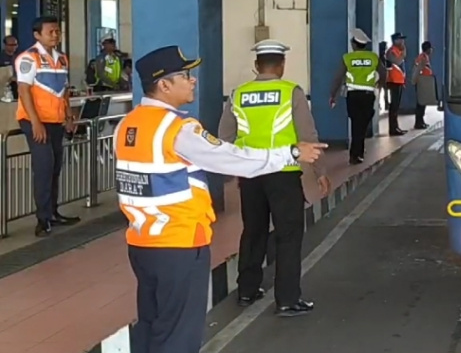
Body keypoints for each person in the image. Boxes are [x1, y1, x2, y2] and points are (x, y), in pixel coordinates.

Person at [114, 45, 325, 353]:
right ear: (164, 85)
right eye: (186, 75)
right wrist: (291, 153)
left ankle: (248, 288)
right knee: (179, 336)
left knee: (152, 325)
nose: (194, 80)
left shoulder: (127, 125)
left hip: (142, 243)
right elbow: (228, 156)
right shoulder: (178, 129)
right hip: (180, 244)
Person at [219, 39, 330, 317]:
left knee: (253, 231)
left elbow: (225, 138)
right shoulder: (291, 92)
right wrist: (321, 172)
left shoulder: (238, 94)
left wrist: (233, 171)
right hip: (283, 174)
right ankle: (288, 299)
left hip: (251, 176)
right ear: (281, 66)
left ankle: (246, 289)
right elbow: (308, 136)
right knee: (289, 235)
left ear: (257, 66)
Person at [15, 16, 79, 237]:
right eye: (51, 32)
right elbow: (24, 91)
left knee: (55, 166)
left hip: (56, 121)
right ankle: (42, 220)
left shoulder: (61, 59)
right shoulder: (28, 58)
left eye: (57, 31)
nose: (55, 35)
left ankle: (53, 212)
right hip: (35, 121)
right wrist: (35, 122)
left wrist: (69, 116)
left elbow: (64, 91)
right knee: (44, 166)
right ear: (37, 35)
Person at [330, 28, 387, 164]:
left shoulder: (347, 58)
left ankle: (356, 153)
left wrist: (333, 95)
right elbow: (384, 73)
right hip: (368, 95)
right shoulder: (373, 57)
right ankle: (357, 152)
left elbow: (338, 78)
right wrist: (380, 84)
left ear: (354, 44)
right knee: (362, 123)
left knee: (357, 123)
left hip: (353, 95)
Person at [384, 32, 408, 136]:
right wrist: (403, 53)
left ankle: (396, 127)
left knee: (396, 106)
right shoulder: (391, 51)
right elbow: (397, 62)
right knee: (393, 106)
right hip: (393, 81)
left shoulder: (398, 50)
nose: (403, 41)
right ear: (395, 40)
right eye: (400, 39)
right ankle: (393, 129)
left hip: (399, 81)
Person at [411, 41, 435, 129]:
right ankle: (418, 122)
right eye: (431, 48)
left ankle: (421, 121)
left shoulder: (425, 57)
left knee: (423, 102)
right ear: (428, 49)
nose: (432, 50)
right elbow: (418, 69)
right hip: (421, 82)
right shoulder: (422, 57)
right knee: (420, 103)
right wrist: (414, 80)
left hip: (424, 82)